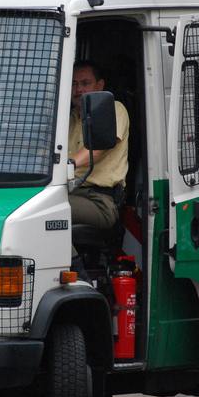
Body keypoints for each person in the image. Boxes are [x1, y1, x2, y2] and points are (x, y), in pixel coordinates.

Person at [68, 60, 130, 269]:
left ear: (100, 86)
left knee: (44, 214)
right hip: (71, 194)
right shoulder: (68, 118)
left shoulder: (114, 109)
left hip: (101, 201)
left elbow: (96, 148)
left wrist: (67, 164)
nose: (78, 89)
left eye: (85, 83)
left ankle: (78, 273)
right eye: (74, 84)